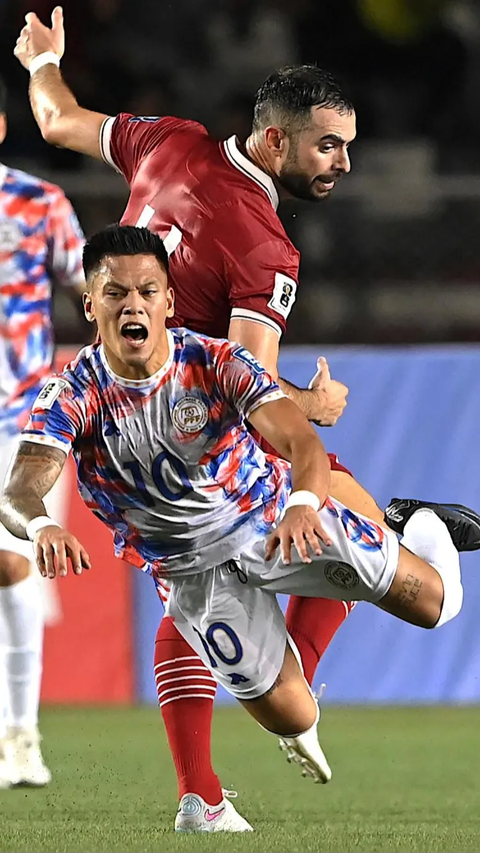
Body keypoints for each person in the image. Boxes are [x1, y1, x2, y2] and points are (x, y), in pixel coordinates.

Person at [0, 225, 477, 832]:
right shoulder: (73, 392)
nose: (133, 305)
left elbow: (300, 439)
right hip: (192, 572)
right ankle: (209, 793)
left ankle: (418, 524)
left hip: (274, 518)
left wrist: (306, 502)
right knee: (293, 717)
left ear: (169, 300)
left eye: (148, 290)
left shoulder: (214, 361)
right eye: (115, 293)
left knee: (437, 605)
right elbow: (19, 489)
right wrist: (40, 524)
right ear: (90, 304)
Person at [0, 70, 86, 787]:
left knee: (14, 566)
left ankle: (20, 737)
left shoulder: (37, 202)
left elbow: (91, 292)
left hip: (20, 417)